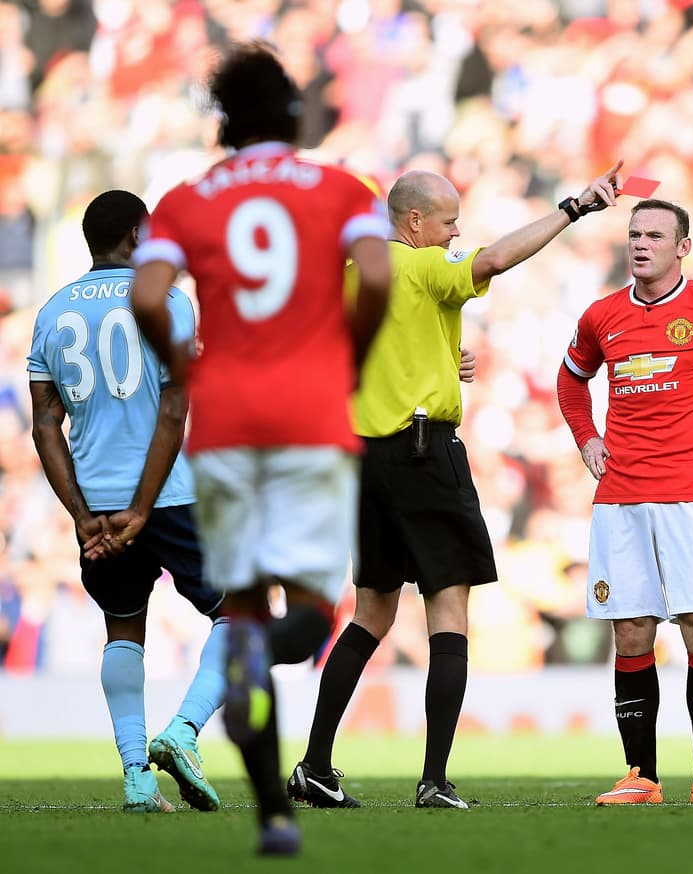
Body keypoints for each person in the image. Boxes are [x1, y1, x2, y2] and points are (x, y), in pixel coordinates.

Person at [288, 163, 622, 811]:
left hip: (366, 458)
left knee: (373, 613)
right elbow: (494, 259)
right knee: (449, 607)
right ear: (413, 222)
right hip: (421, 453)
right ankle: (434, 780)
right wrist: (574, 208)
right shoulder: (418, 266)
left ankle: (315, 766)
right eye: (446, 222)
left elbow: (370, 353)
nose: (455, 232)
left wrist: (442, 362)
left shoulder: (352, 276)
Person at [129, 43, 392, 855]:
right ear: (291, 114)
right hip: (312, 416)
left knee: (240, 609)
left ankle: (274, 817)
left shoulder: (183, 199)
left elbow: (147, 293)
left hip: (224, 423)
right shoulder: (344, 188)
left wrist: (182, 366)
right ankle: (260, 659)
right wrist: (348, 356)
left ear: (223, 124)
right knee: (312, 618)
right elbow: (378, 278)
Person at [557, 199, 693, 807]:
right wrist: (587, 437)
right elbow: (571, 380)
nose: (640, 243)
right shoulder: (602, 315)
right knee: (631, 632)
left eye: (654, 234)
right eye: (633, 233)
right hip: (620, 497)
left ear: (682, 247)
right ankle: (640, 776)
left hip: (691, 498)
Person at [26, 189, 227, 814]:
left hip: (98, 505)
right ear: (139, 237)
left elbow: (43, 426)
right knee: (242, 616)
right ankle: (184, 731)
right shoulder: (166, 302)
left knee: (123, 629)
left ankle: (137, 778)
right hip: (165, 496)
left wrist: (84, 516)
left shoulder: (53, 313)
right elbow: (174, 408)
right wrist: (144, 507)